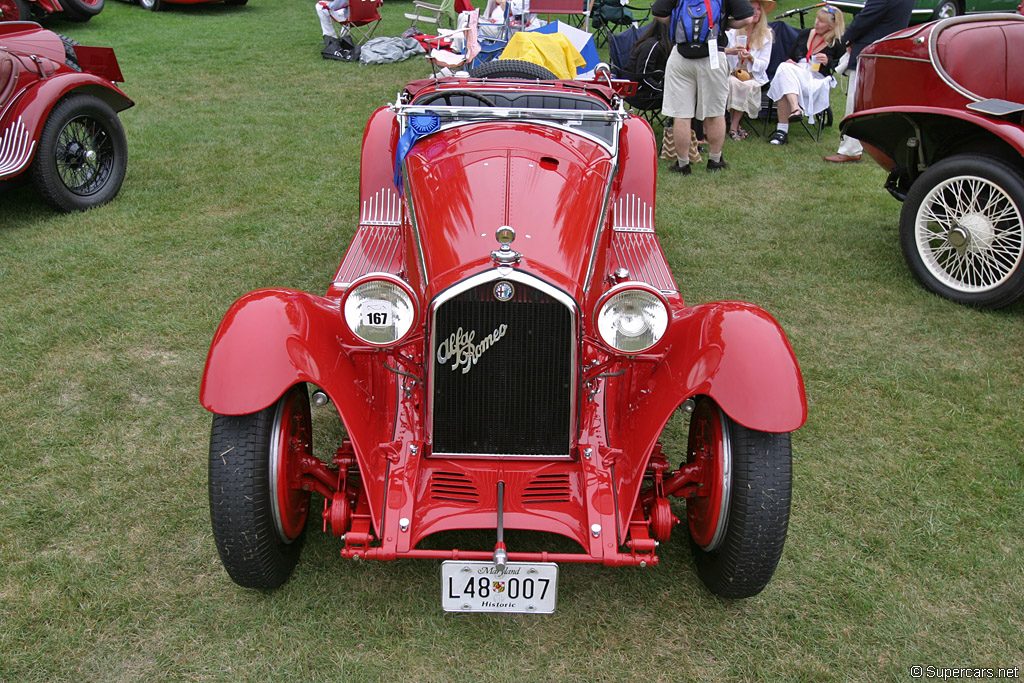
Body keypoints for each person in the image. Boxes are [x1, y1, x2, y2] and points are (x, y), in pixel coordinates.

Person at [653, 0, 754, 175]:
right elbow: (747, 18)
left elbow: (659, 13)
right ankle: (715, 160)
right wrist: (724, 22)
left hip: (681, 57)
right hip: (713, 55)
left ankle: (683, 164)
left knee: (681, 115)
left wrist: (679, 21)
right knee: (715, 113)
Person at [824, 0, 913, 163]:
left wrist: (847, 39)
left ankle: (850, 149)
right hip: (889, 49)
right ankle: (879, 146)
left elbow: (866, 18)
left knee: (856, 101)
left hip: (871, 51)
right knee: (879, 103)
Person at [765, 5, 845, 145]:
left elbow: (840, 67)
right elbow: (789, 57)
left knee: (784, 73)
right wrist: (790, 61)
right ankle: (794, 110)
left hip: (816, 79)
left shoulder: (836, 43)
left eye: (821, 21)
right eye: (816, 19)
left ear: (831, 26)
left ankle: (782, 131)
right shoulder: (805, 34)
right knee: (785, 70)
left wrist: (828, 61)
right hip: (796, 73)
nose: (816, 23)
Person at [724, 0, 775, 141]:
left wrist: (752, 59)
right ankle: (735, 125)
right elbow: (724, 54)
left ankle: (733, 126)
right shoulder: (733, 32)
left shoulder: (766, 35)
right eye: (752, 9)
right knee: (734, 82)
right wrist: (735, 53)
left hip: (753, 75)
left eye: (759, 9)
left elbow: (765, 64)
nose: (756, 12)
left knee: (745, 85)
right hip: (734, 72)